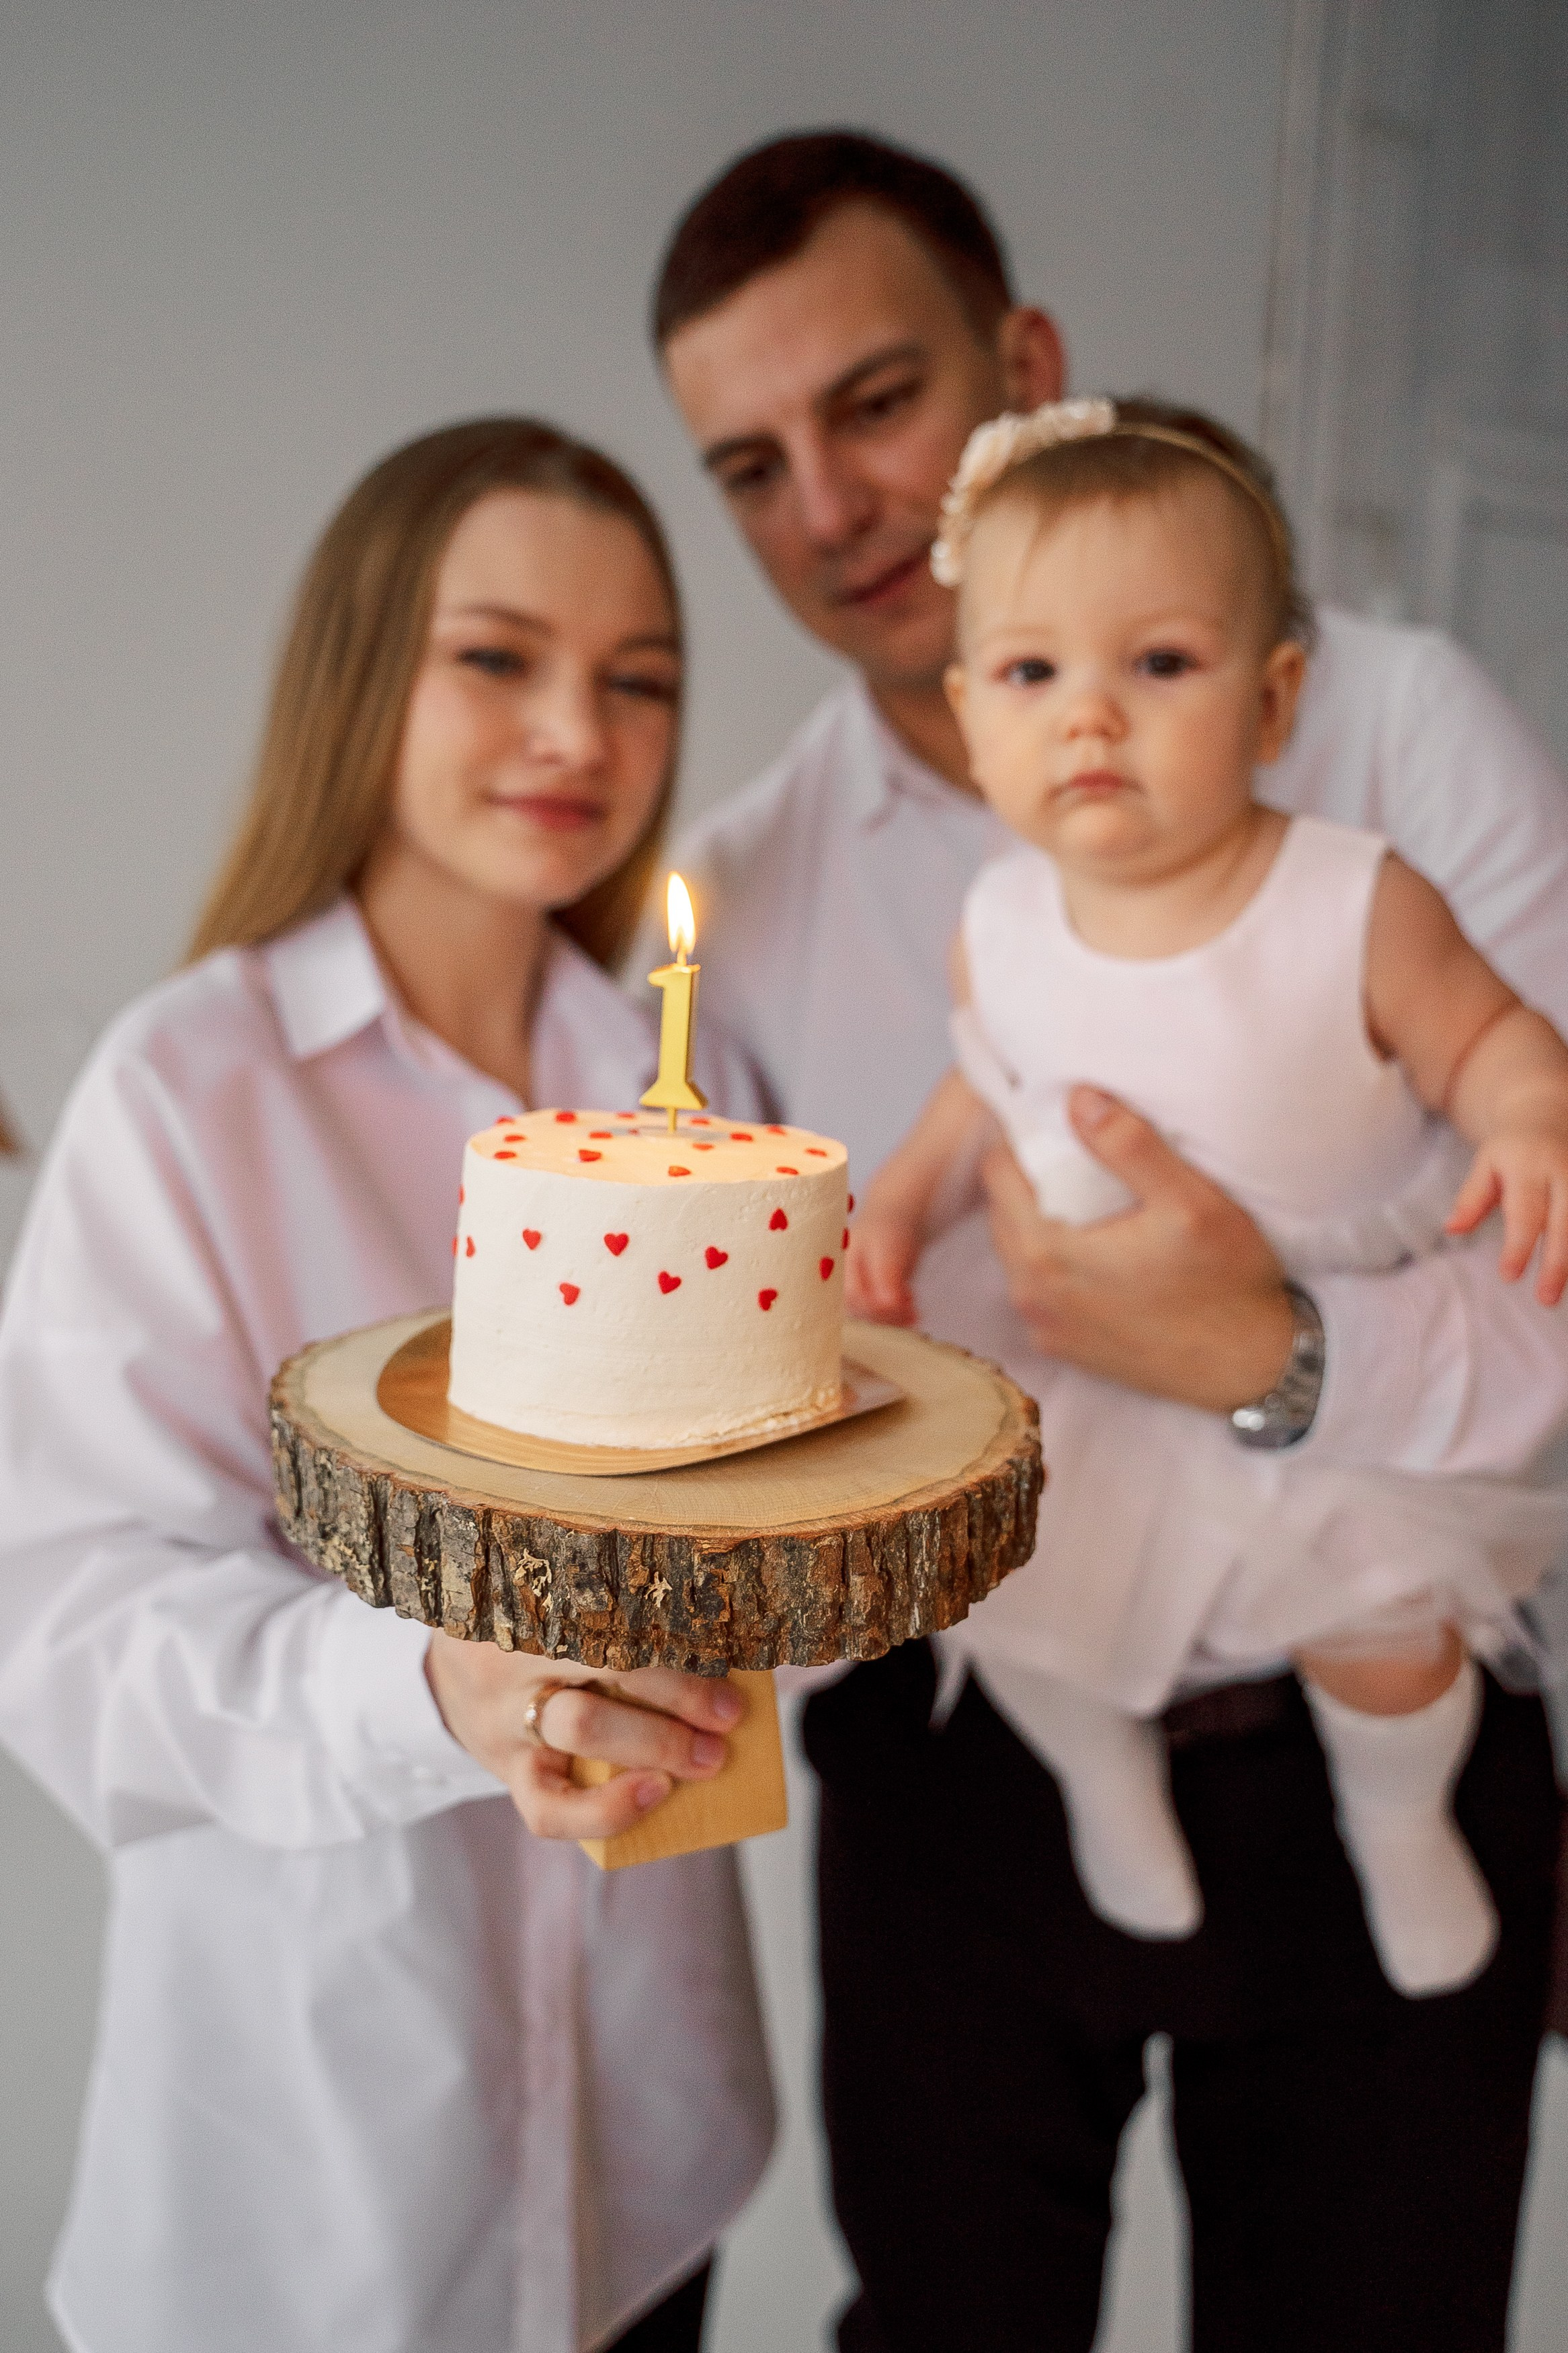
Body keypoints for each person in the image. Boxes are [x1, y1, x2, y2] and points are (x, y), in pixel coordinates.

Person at [651, 131, 1568, 2349]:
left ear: (1026, 365)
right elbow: (767, 1369)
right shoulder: (758, 883)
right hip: (972, 1742)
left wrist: (1269, 1351)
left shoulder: (1378, 725)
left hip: (1368, 1685)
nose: (835, 506)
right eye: (751, 467)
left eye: (874, 405)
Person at [0, 417, 774, 2353]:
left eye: (637, 680)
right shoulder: (194, 1093)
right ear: (365, 670)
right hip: (311, 2190)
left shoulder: (698, 1100)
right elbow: (77, 1626)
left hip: (637, 2157)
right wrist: (441, 1683)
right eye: (497, 656)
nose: (577, 733)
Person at [847, 390, 1568, 1997]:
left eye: (1158, 664)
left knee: (1386, 1642)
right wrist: (893, 1208)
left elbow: (1493, 1037)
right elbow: (988, 1083)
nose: (1090, 719)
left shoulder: (1353, 899)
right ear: (972, 712)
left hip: (1328, 1341)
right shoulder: (1005, 917)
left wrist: (1532, 1120)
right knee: (1015, 1610)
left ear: (1273, 696)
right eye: (1035, 675)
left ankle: (1401, 1819)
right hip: (1083, 1363)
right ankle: (1107, 1778)